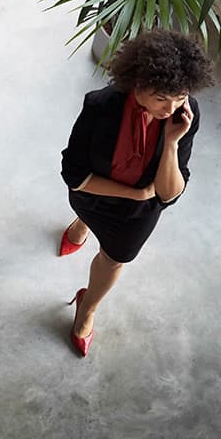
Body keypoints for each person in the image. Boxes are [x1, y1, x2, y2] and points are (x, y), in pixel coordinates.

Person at [59, 30, 214, 357]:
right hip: (92, 197)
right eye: (161, 97)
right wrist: (135, 194)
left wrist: (172, 142)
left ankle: (86, 307)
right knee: (85, 206)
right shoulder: (100, 105)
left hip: (133, 217)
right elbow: (74, 174)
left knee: (114, 259)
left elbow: (168, 194)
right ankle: (81, 225)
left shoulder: (185, 115)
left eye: (180, 95)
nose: (170, 107)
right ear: (137, 85)